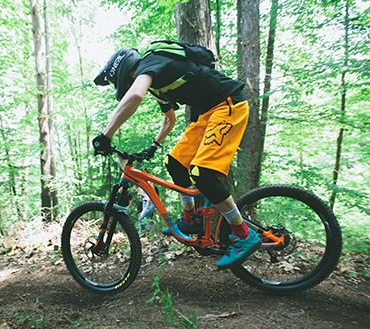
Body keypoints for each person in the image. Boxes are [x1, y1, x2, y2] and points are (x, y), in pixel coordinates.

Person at [91, 42, 260, 270]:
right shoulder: (157, 84)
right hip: (208, 113)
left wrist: (105, 135)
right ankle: (189, 220)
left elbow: (134, 96)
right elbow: (170, 119)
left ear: (122, 72)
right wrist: (154, 146)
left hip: (229, 104)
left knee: (203, 173)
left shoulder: (151, 63)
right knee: (175, 163)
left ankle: (243, 233)